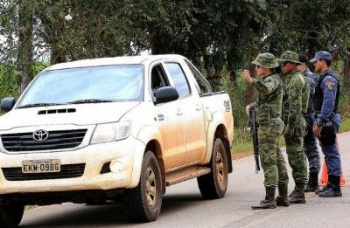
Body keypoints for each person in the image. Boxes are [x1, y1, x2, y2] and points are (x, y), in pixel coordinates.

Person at [243, 53, 289, 209]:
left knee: (268, 161)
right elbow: (266, 100)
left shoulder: (271, 80)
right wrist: (252, 107)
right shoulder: (270, 80)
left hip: (269, 125)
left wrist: (251, 81)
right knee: (276, 159)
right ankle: (282, 196)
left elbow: (265, 90)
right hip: (269, 124)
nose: (256, 68)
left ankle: (270, 199)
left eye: (258, 65)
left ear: (267, 67)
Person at [310, 51, 342, 197]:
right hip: (324, 120)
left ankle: (335, 187)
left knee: (331, 153)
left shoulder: (328, 79)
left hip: (327, 121)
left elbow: (328, 103)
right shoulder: (323, 78)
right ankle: (331, 183)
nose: (315, 63)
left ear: (323, 61)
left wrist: (320, 121)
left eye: (316, 61)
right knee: (328, 153)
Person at [278, 50, 309, 204]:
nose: (282, 66)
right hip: (293, 122)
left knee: (296, 156)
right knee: (295, 155)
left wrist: (290, 127)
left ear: (292, 64)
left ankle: (300, 190)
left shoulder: (297, 79)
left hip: (295, 123)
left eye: (285, 63)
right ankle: (299, 189)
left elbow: (295, 107)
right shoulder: (290, 78)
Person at [298, 54, 321, 192]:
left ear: (302, 65)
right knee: (306, 150)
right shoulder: (304, 78)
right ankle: (310, 181)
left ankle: (313, 181)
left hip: (308, 116)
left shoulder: (308, 78)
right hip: (305, 117)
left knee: (311, 150)